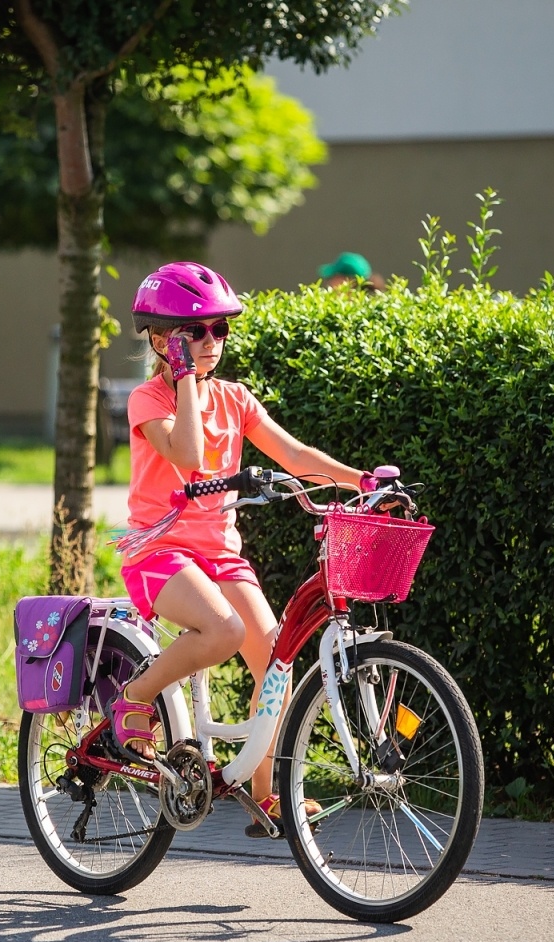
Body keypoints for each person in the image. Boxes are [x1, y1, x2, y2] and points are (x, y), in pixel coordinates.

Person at [114, 262, 371, 836]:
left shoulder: (235, 398)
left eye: (219, 330)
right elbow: (190, 456)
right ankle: (134, 697)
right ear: (162, 339)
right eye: (197, 331)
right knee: (224, 632)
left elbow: (297, 455)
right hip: (160, 553)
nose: (212, 342)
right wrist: (182, 380)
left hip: (220, 554)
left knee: (273, 655)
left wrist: (360, 480)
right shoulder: (147, 399)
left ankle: (267, 794)